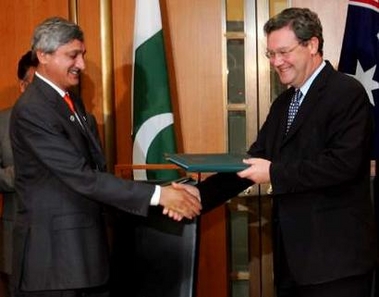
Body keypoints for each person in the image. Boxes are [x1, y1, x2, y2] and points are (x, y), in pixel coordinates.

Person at [174, 7, 377, 297]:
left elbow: (342, 165)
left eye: (283, 52)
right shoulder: (284, 104)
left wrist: (273, 172)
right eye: (271, 54)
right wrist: (199, 195)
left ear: (312, 45)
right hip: (291, 263)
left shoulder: (347, 92)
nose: (276, 62)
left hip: (336, 264)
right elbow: (251, 163)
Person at [9, 16, 201, 297]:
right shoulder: (33, 109)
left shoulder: (70, 100)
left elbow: (96, 170)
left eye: (83, 55)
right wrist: (160, 196)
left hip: (82, 258)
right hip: (55, 265)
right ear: (43, 55)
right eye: (72, 55)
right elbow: (81, 177)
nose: (82, 65)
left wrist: (161, 194)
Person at [0, 50, 38, 297]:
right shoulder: (2, 122)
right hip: (16, 238)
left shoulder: (77, 119)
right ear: (23, 85)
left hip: (65, 244)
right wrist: (23, 174)